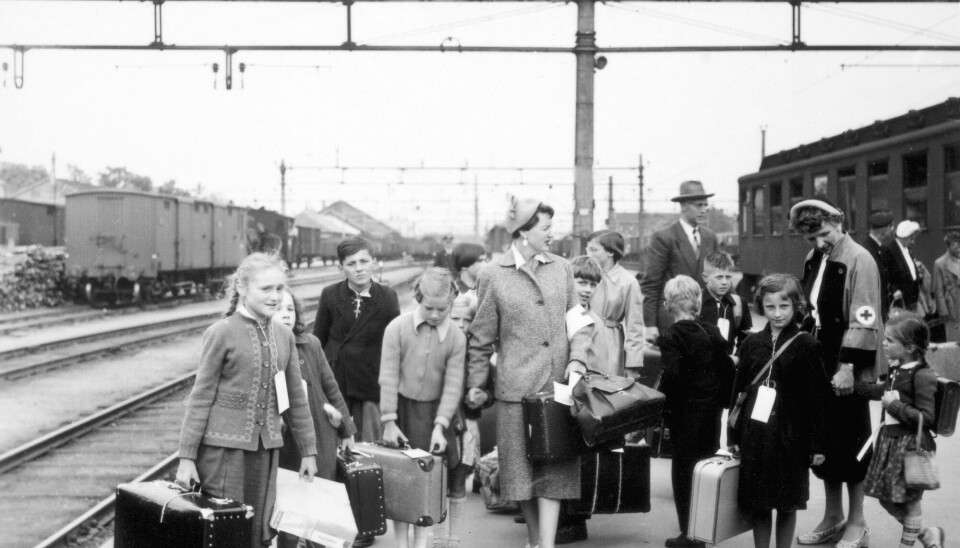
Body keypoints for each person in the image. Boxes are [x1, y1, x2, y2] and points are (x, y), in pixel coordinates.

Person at [175, 252, 318, 548]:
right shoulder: (221, 333)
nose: (275, 296)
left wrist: (308, 451)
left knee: (257, 531)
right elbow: (200, 397)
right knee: (224, 531)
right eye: (266, 289)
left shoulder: (284, 336)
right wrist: (186, 458)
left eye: (279, 288)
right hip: (222, 454)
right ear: (242, 288)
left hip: (265, 453)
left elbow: (295, 399)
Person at [466, 197, 581, 548]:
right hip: (515, 393)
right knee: (521, 476)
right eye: (546, 228)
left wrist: (577, 360)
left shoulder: (562, 269)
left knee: (555, 474)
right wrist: (476, 385)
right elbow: (480, 339)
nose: (552, 234)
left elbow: (579, 324)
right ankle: (535, 540)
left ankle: (546, 544)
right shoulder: (493, 275)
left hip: (558, 388)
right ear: (524, 232)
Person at [790, 198, 883, 548]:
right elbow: (809, 308)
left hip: (846, 363)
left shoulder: (860, 258)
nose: (819, 243)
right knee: (824, 440)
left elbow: (864, 316)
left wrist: (848, 367)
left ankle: (857, 522)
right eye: (810, 238)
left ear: (838, 222)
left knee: (852, 440)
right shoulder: (815, 257)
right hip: (818, 360)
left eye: (824, 235)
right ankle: (833, 516)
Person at [728, 273, 829, 548]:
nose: (777, 313)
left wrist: (817, 444)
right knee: (758, 502)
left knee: (787, 503)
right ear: (760, 306)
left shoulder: (807, 345)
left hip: (791, 438)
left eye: (784, 306)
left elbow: (817, 399)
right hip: (756, 435)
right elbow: (737, 394)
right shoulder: (751, 344)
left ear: (796, 305)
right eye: (770, 306)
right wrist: (732, 437)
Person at [380, 267, 466, 548]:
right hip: (401, 412)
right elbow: (388, 376)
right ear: (418, 298)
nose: (436, 315)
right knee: (402, 480)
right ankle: (401, 543)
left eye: (443, 309)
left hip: (436, 414)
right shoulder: (397, 328)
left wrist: (441, 426)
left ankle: (422, 543)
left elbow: (453, 385)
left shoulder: (456, 337)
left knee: (429, 480)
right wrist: (389, 421)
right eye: (429, 308)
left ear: (451, 303)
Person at [273, 287, 356, 548]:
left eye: (290, 309)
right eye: (278, 309)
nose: (285, 314)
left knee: (322, 497)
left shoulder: (310, 344)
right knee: (290, 504)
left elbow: (331, 387)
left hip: (321, 434)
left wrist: (347, 429)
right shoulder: (266, 349)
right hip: (287, 439)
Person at [657, 274, 735, 548]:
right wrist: (721, 402)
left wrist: (663, 407)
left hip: (685, 415)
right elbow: (727, 369)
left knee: (683, 472)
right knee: (705, 469)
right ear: (698, 303)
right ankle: (703, 528)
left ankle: (688, 533)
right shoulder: (712, 332)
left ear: (668, 304)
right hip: (711, 413)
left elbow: (672, 376)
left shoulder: (671, 336)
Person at [859, 315, 944, 548]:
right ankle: (927, 534)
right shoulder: (897, 368)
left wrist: (894, 406)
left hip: (911, 447)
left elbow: (926, 417)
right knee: (887, 499)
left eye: (890, 340)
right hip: (890, 444)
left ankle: (907, 544)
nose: (884, 344)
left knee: (911, 501)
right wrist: (858, 389)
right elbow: (884, 391)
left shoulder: (923, 375)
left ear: (909, 347)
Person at [313, 237, 401, 444]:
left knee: (368, 441)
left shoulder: (387, 297)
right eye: (351, 264)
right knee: (335, 439)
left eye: (364, 261)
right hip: (338, 379)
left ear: (374, 263)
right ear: (341, 268)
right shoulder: (330, 294)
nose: (359, 269)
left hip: (370, 382)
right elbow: (318, 340)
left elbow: (394, 345)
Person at [640, 181, 719, 384]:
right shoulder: (664, 237)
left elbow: (718, 275)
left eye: (705, 205)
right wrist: (650, 324)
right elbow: (651, 283)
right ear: (683, 206)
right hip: (671, 319)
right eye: (699, 205)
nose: (704, 209)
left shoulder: (710, 237)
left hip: (703, 319)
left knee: (700, 377)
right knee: (673, 377)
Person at [436, 293, 493, 548]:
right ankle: (438, 537)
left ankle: (455, 538)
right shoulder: (438, 346)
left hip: (467, 425)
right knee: (437, 482)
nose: (461, 324)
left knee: (459, 480)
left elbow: (491, 390)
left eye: (466, 320)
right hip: (439, 425)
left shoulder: (478, 355)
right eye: (455, 318)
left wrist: (484, 397)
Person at [585, 230, 645, 377]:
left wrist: (632, 364)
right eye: (587, 249)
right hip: (583, 339)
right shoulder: (583, 275)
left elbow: (634, 326)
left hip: (610, 342)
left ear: (611, 252)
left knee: (607, 385)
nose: (588, 254)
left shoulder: (628, 282)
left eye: (594, 250)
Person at [699, 251, 752, 356]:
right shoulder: (696, 303)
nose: (724, 282)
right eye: (719, 277)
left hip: (727, 362)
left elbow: (745, 339)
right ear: (705, 277)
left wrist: (737, 358)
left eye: (728, 277)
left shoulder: (739, 304)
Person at [883, 221, 926, 314]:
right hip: (899, 301)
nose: (913, 242)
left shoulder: (906, 248)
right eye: (911, 239)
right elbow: (884, 274)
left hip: (912, 300)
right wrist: (893, 290)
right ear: (903, 237)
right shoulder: (889, 250)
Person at [863, 211, 895, 319]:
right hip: (875, 310)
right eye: (891, 227)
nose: (892, 230)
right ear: (883, 230)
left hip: (882, 308)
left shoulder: (880, 248)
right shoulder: (868, 251)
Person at [933, 231, 960, 343]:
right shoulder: (940, 263)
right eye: (956, 247)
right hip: (952, 309)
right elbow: (938, 290)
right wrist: (943, 312)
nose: (959, 250)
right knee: (954, 341)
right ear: (948, 247)